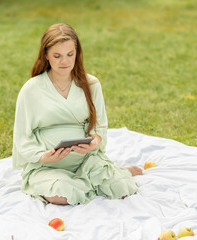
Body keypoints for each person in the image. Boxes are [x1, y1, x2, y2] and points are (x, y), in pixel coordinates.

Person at [12, 23, 142, 205]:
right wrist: (42, 156)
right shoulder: (31, 89)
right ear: (46, 56)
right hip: (47, 167)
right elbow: (22, 136)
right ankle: (98, 179)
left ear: (77, 53)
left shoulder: (91, 84)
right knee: (62, 194)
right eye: (57, 56)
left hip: (86, 160)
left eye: (70, 55)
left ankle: (112, 174)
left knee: (122, 187)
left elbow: (99, 126)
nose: (64, 61)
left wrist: (95, 142)